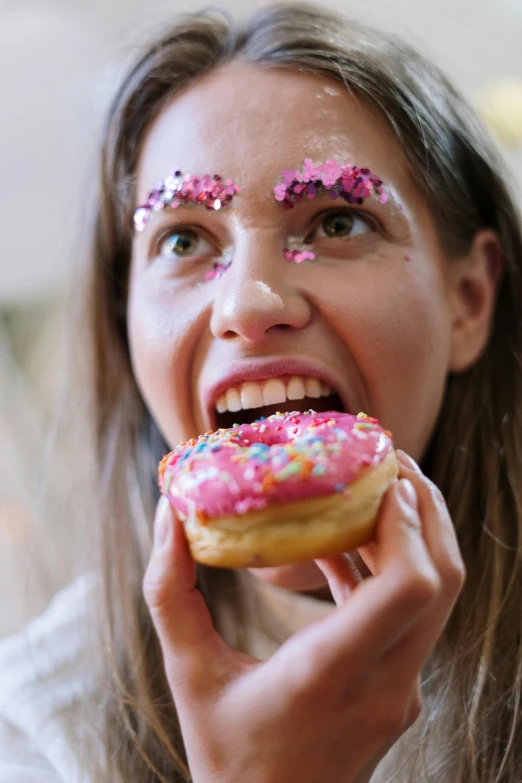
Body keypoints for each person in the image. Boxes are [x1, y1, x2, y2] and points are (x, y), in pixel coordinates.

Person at [1, 3, 521, 781]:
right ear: (127, 320)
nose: (246, 304)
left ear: (469, 299)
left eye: (338, 221)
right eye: (182, 239)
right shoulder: (39, 723)